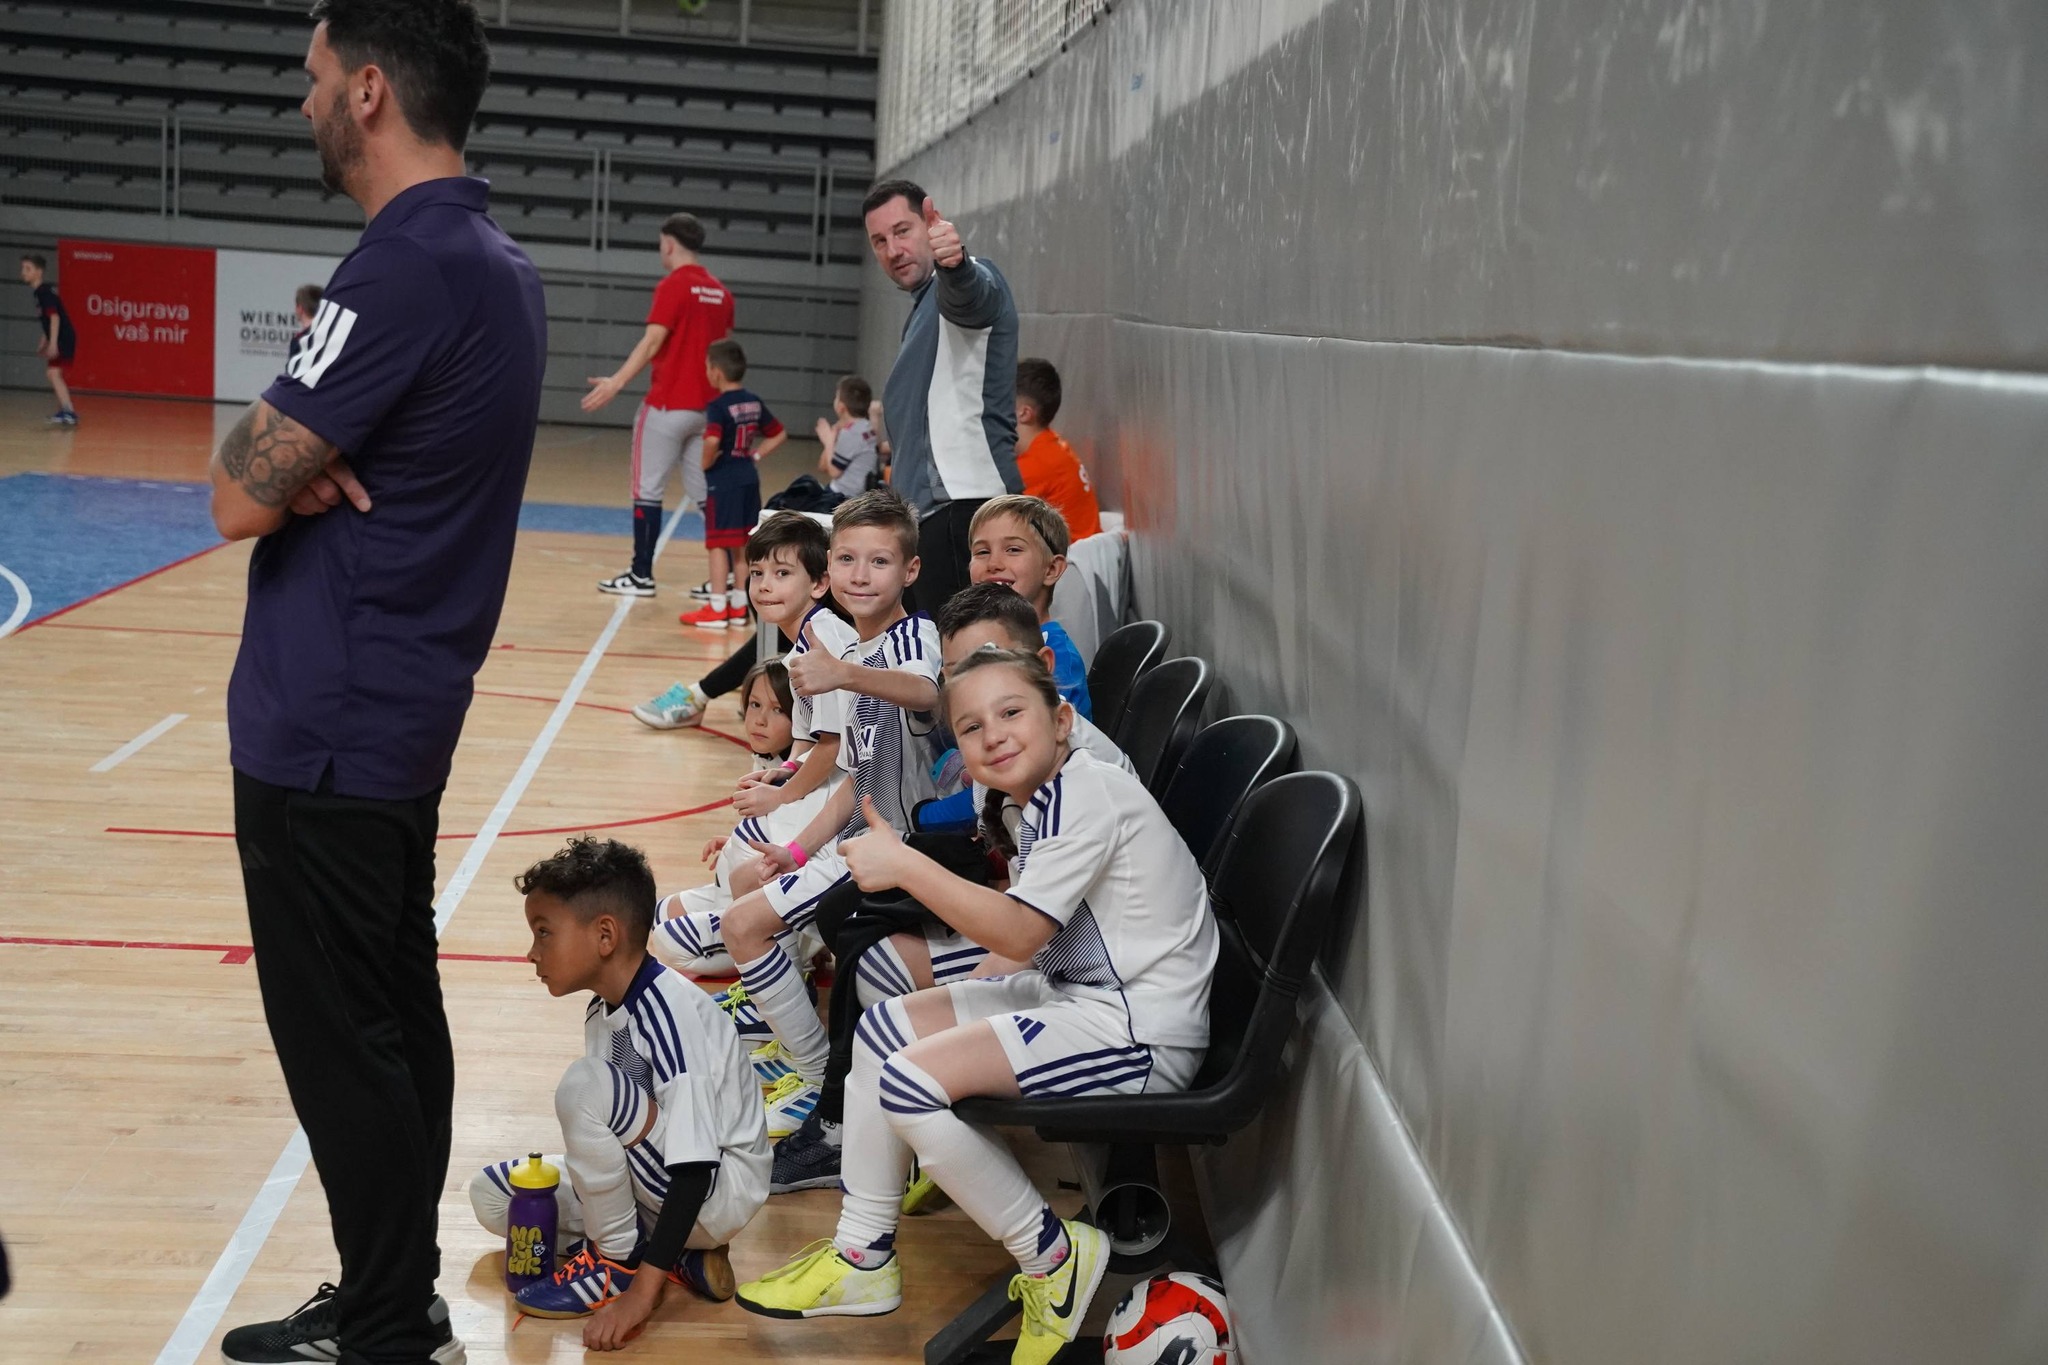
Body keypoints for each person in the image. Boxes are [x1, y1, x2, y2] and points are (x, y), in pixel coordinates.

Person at [209, 4, 544, 1363]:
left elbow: (235, 492)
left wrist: (289, 469)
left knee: (343, 1041)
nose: (299, 104)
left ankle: (392, 1332)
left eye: (310, 80)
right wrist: (308, 463)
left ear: (365, 92)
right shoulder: (495, 261)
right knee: (395, 1014)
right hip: (397, 710)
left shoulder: (403, 266)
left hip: (326, 724)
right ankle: (391, 1301)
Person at [734, 649, 1219, 1365]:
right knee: (883, 1030)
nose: (992, 734)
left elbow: (1020, 932)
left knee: (909, 1082)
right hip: (1082, 995)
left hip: (1141, 1030)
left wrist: (905, 865)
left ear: (1061, 719)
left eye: (1011, 711)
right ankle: (863, 1258)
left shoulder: (1089, 792)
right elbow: (1024, 943)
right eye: (970, 726)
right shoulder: (1038, 796)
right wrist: (969, 1000)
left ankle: (1052, 1259)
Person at [768, 582, 1134, 1196]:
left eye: (993, 664)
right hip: (1064, 958)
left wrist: (909, 871)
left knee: (894, 1030)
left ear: (1044, 673)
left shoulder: (1083, 778)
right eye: (959, 670)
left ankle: (1037, 1235)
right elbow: (1020, 899)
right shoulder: (1006, 758)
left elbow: (1023, 932)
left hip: (1108, 994)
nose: (978, 688)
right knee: (868, 967)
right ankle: (873, 1212)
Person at [467, 838, 770, 1349]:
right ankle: (675, 1257)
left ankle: (619, 1266)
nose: (532, 952)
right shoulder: (601, 1010)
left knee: (584, 1085)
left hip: (712, 1192)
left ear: (605, 935)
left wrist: (640, 1297)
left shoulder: (671, 1012)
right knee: (498, 1196)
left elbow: (695, 1167)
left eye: (544, 932)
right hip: (658, 1184)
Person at [709, 488, 942, 1139]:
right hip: (857, 844)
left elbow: (926, 691)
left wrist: (845, 675)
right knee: (745, 903)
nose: (860, 575)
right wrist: (798, 849)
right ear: (830, 567)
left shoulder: (911, 637)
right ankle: (803, 1061)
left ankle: (817, 1082)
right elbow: (854, 780)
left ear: (911, 571)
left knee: (741, 925)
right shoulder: (854, 654)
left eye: (879, 561)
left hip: (903, 852)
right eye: (847, 559)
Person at [860, 178, 1024, 612]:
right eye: (879, 241)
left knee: (962, 650)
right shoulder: (922, 306)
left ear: (930, 225)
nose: (893, 250)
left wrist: (955, 265)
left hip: (963, 511)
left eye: (902, 231)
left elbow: (971, 295)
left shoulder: (965, 280)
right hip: (933, 518)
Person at [584, 210, 734, 598]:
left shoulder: (673, 286)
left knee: (647, 490)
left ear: (668, 244)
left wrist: (616, 382)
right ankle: (731, 575)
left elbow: (652, 342)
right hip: (709, 410)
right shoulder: (721, 293)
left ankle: (641, 574)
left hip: (668, 405)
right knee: (705, 493)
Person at [678, 340, 785, 631]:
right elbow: (778, 433)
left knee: (717, 544)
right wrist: (756, 454)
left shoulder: (717, 406)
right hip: (748, 477)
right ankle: (739, 606)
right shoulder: (753, 401)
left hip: (723, 481)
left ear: (716, 371)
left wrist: (705, 463)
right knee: (742, 546)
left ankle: (716, 607)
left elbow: (712, 440)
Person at [967, 494, 1090, 717]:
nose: (993, 564)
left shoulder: (1058, 658)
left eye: (1013, 549)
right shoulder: (979, 645)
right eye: (982, 552)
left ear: (1051, 569)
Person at [1012, 358, 1100, 541]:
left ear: (1024, 413)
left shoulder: (1038, 464)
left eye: (1000, 401)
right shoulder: (1049, 445)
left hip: (1068, 555)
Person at [19, 253, 76, 426]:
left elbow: (55, 318)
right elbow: (48, 320)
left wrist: (53, 343)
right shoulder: (40, 293)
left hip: (63, 337)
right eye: (23, 268)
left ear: (39, 272)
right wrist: (44, 341)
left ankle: (69, 412)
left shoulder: (44, 292)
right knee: (53, 373)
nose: (23, 272)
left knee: (53, 373)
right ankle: (67, 411)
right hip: (61, 337)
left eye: (28, 268)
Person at [812, 374, 880, 502]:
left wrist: (828, 441)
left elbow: (834, 472)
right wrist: (832, 437)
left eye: (836, 397)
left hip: (843, 498)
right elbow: (823, 466)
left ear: (841, 407)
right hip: (852, 495)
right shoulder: (866, 426)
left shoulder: (851, 434)